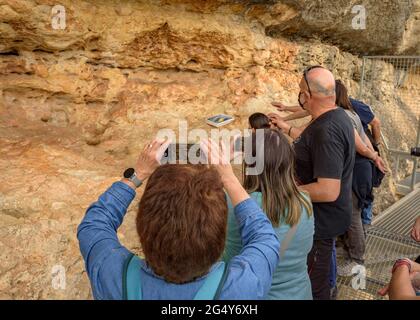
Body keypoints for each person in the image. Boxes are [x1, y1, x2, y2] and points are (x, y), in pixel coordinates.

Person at [77, 138, 280, 300]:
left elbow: (95, 223)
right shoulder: (243, 287)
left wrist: (137, 174)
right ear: (220, 238)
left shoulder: (111, 276)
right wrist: (228, 178)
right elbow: (264, 236)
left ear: (141, 227)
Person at [269, 66, 355, 300]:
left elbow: (327, 190)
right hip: (328, 221)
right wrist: (285, 127)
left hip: (321, 224)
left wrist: (284, 191)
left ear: (307, 96)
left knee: (314, 285)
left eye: (300, 91)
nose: (299, 96)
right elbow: (310, 144)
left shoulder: (326, 130)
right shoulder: (334, 116)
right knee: (322, 272)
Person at [223, 129, 315, 300]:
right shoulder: (304, 202)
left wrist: (223, 165)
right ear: (289, 162)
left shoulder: (232, 204)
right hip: (298, 293)